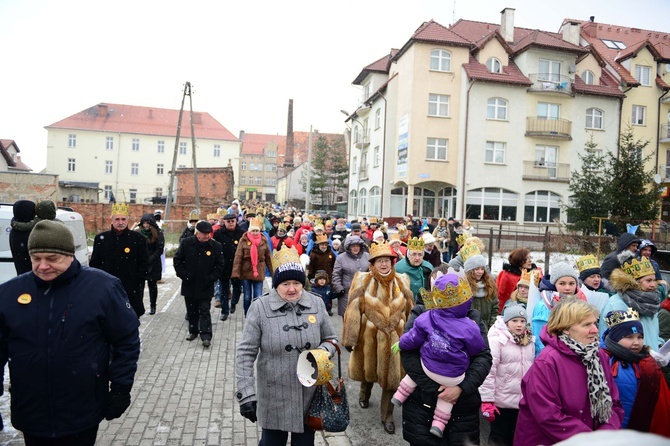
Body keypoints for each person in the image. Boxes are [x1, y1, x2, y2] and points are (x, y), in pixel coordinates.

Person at [0, 220, 140, 445]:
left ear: (70, 255)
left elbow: (126, 339)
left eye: (52, 259)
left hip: (81, 408)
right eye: (36, 259)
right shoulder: (9, 294)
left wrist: (121, 387)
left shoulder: (102, 288)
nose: (43, 266)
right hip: (31, 409)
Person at [235, 246, 338, 446]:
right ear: (275, 285)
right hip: (273, 396)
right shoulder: (259, 308)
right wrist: (246, 393)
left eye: (297, 283)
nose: (292, 289)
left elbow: (332, 339)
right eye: (285, 283)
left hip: (308, 396)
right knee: (271, 442)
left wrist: (322, 353)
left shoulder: (316, 304)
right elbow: (245, 353)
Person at [400, 264, 493, 445]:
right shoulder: (421, 313)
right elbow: (408, 352)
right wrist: (437, 387)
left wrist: (461, 387)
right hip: (422, 403)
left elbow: (483, 357)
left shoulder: (473, 317)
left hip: (462, 408)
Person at [514, 298, 624, 446]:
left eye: (594, 323)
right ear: (566, 328)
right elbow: (548, 415)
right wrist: (591, 440)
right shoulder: (547, 361)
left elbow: (614, 403)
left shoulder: (599, 356)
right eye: (587, 325)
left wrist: (606, 433)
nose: (595, 330)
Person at [342, 242, 415, 435]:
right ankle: (364, 393)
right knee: (368, 371)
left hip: (395, 339)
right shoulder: (362, 281)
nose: (384, 265)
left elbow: (410, 312)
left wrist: (411, 337)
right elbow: (353, 311)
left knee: (391, 378)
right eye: (379, 261)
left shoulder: (402, 281)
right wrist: (351, 338)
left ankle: (388, 416)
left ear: (392, 262)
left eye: (387, 261)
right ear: (372, 263)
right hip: (368, 336)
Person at [602, 309, 670, 436]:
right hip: (612, 427)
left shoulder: (648, 362)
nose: (636, 342)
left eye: (640, 337)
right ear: (615, 338)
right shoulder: (603, 360)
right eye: (629, 337)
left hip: (641, 426)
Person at [479, 304, 535, 446]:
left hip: (521, 401)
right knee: (499, 437)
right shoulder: (497, 340)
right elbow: (489, 372)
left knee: (516, 437)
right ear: (506, 322)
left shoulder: (529, 341)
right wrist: (487, 400)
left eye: (522, 321)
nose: (519, 325)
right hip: (501, 401)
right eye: (514, 321)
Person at [90, 203, 149, 318]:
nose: (120, 222)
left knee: (131, 320)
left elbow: (144, 263)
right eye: (117, 219)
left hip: (131, 289)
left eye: (123, 219)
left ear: (128, 220)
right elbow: (94, 264)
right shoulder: (101, 239)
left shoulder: (138, 239)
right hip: (107, 289)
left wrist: (137, 280)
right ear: (111, 220)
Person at [173, 220, 224, 348]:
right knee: (191, 310)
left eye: (208, 233)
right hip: (189, 284)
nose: (207, 236)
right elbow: (178, 260)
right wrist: (184, 275)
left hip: (206, 285)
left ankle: (206, 335)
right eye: (204, 233)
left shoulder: (215, 246)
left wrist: (212, 277)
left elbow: (220, 265)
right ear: (197, 233)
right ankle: (193, 331)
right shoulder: (187, 243)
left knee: (204, 310)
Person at [600, 252, 663, 350]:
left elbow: (653, 334)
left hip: (651, 362)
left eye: (654, 280)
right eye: (648, 281)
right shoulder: (616, 304)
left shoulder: (652, 303)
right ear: (634, 282)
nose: (653, 285)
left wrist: (659, 346)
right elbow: (610, 341)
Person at [532, 262, 586, 356]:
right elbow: (540, 341)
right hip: (552, 357)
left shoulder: (582, 302)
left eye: (571, 283)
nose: (567, 288)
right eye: (562, 283)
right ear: (554, 284)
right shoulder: (544, 306)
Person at [232, 216, 274, 316]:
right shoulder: (244, 240)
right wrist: (235, 273)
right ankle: (247, 314)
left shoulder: (264, 241)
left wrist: (273, 273)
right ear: (249, 231)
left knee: (258, 296)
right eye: (253, 231)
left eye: (256, 230)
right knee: (247, 296)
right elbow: (238, 257)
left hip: (259, 271)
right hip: (246, 270)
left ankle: (256, 315)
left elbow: (268, 257)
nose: (255, 232)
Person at [213, 213, 245, 319]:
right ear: (224, 222)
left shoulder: (242, 233)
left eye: (233, 221)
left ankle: (234, 303)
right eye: (228, 221)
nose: (231, 223)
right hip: (224, 265)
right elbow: (215, 249)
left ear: (236, 221)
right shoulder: (218, 233)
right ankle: (224, 311)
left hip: (237, 266)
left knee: (237, 288)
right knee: (224, 289)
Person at [331, 235, 369, 317]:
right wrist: (339, 289)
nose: (356, 248)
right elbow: (336, 274)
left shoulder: (367, 256)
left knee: (363, 319)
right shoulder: (341, 258)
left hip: (364, 293)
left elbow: (372, 272)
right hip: (346, 294)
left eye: (357, 246)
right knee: (348, 319)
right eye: (353, 246)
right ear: (348, 247)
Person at [464, 249, 499, 329]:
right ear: (470, 271)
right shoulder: (463, 287)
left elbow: (495, 308)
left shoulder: (490, 285)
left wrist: (491, 327)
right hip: (469, 328)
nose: (480, 272)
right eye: (476, 269)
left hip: (487, 328)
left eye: (482, 269)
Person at [137, 213, 164, 315]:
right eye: (144, 223)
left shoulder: (158, 233)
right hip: (141, 264)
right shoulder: (138, 233)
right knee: (139, 287)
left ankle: (153, 305)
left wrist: (151, 259)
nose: (146, 225)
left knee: (152, 286)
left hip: (154, 263)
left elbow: (159, 249)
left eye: (147, 223)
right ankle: (139, 305)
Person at [395, 237, 434, 301]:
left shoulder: (428, 267)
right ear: (408, 255)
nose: (417, 258)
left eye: (420, 255)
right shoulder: (398, 268)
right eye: (414, 254)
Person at [9, 199, 36, 275]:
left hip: (22, 276)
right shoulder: (28, 234)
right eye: (33, 212)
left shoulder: (15, 229)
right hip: (32, 279)